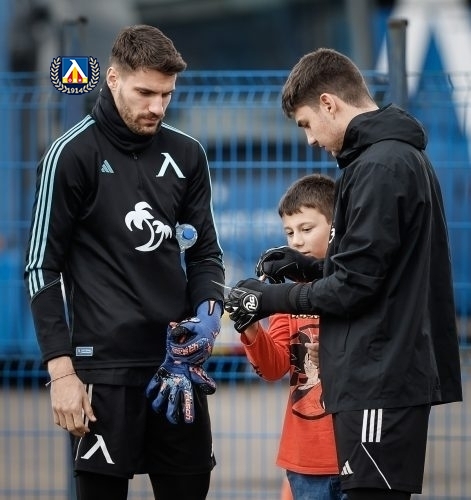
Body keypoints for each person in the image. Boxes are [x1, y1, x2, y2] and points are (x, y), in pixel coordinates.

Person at [224, 48, 462, 500]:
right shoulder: (380, 160)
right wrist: (308, 267)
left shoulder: (380, 166)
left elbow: (354, 287)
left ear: (329, 103)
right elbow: (375, 270)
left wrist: (267, 299)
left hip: (379, 378)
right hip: (378, 374)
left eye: (306, 124)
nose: (310, 140)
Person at [24, 25, 225, 500]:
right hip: (103, 374)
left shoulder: (187, 154)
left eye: (167, 94)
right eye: (145, 93)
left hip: (177, 370)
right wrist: (62, 373)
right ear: (113, 79)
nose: (157, 107)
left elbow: (204, 253)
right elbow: (41, 267)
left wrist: (209, 315)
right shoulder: (70, 154)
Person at [237, 173, 346, 500]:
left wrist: (332, 351)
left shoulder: (356, 287)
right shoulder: (288, 296)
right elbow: (274, 368)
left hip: (354, 450)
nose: (296, 241)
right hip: (305, 458)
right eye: (289, 232)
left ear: (335, 227)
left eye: (306, 229)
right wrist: (249, 324)